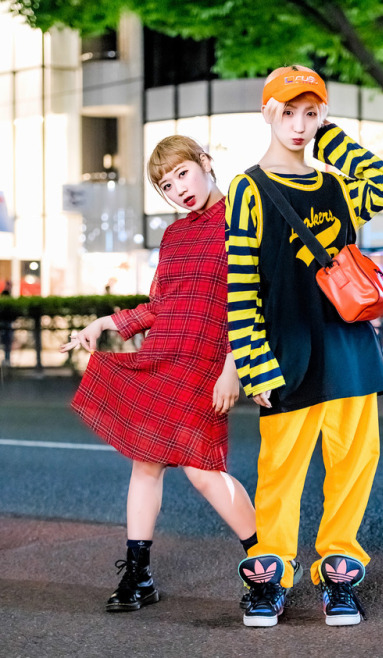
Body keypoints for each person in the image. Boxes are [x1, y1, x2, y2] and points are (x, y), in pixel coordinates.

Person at [225, 65, 383, 627]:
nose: (299, 125)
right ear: (266, 113)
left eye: (311, 113)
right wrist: (253, 364)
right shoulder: (248, 187)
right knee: (281, 471)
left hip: (350, 347)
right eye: (288, 113)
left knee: (354, 464)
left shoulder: (337, 186)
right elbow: (242, 284)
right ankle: (270, 576)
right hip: (287, 354)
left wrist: (329, 138)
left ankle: (339, 572)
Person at [61, 135, 256, 613]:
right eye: (167, 185)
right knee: (145, 462)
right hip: (164, 355)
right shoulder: (174, 235)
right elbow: (161, 306)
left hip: (207, 362)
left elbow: (254, 301)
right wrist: (105, 323)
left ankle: (267, 560)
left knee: (205, 472)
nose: (178, 190)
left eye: (183, 174)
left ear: (205, 163)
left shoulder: (243, 219)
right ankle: (138, 575)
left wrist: (233, 370)